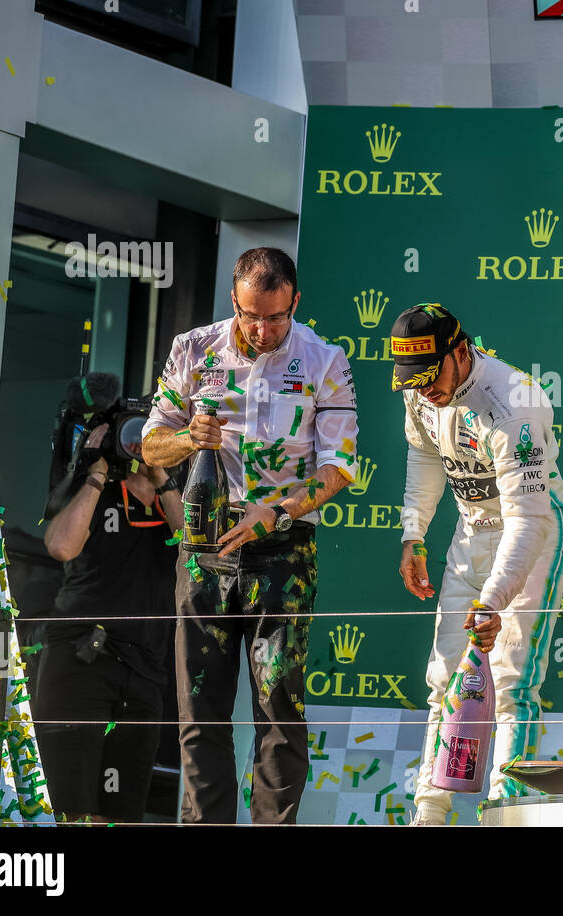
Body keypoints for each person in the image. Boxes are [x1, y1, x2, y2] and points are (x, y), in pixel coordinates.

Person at [141, 247, 359, 824]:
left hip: (282, 545)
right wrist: (190, 438)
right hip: (205, 541)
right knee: (199, 708)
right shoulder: (193, 348)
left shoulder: (325, 360)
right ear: (233, 302)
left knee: (279, 709)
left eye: (276, 317)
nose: (262, 330)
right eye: (249, 316)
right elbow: (149, 445)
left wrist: (278, 511)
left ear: (295, 302)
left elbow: (339, 468)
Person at [393, 303, 563, 825]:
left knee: (512, 681)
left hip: (533, 530)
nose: (423, 389)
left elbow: (528, 521)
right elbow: (425, 455)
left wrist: (492, 601)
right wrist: (414, 533)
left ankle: (506, 811)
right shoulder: (419, 390)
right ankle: (430, 812)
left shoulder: (516, 402)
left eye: (430, 376)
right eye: (412, 380)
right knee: (445, 675)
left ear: (461, 351)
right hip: (470, 528)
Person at [34, 376, 183, 823]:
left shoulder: (172, 499)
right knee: (72, 810)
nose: (137, 446)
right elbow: (60, 547)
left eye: (149, 437)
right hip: (81, 659)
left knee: (120, 813)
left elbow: (200, 552)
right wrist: (97, 469)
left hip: (144, 673)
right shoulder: (92, 489)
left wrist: (162, 476)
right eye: (132, 436)